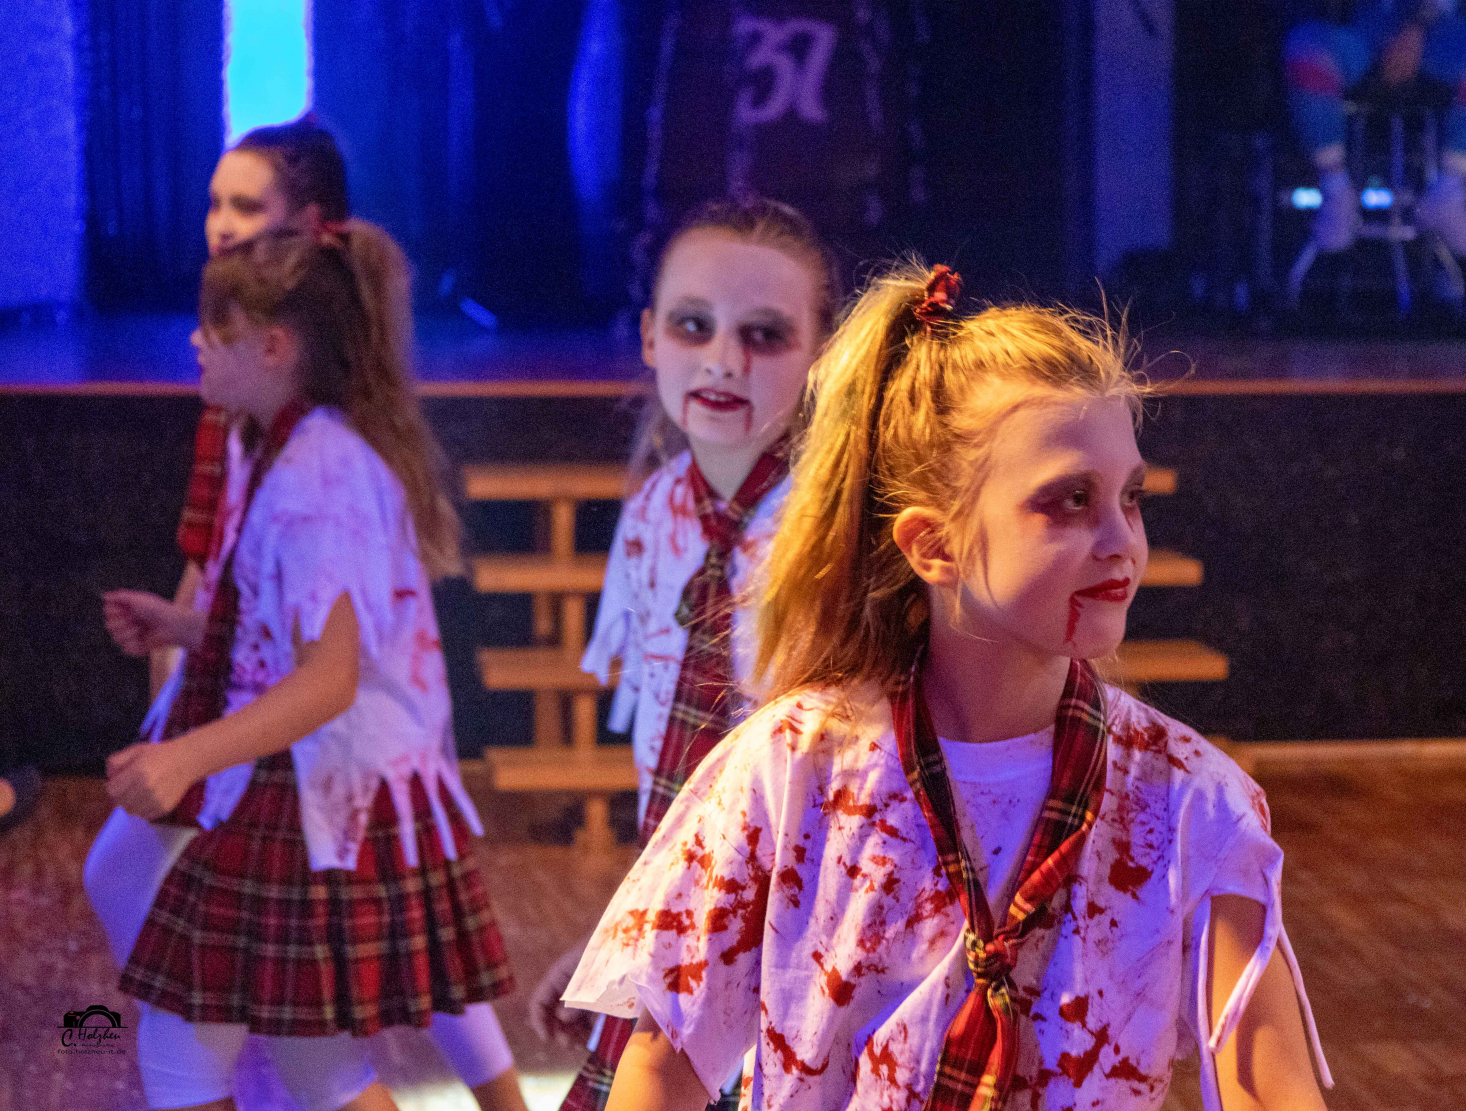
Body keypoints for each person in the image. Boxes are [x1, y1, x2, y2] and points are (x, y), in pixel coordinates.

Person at [560, 263, 1333, 1109]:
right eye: (1069, 501)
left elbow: (1273, 1093)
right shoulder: (790, 769)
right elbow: (662, 1068)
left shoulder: (1189, 803)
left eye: (1132, 498)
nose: (1122, 540)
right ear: (933, 546)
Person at [93, 117, 528, 1111]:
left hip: (310, 791)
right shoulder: (285, 447)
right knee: (313, 1063)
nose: (195, 343)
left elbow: (328, 680)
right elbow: (288, 637)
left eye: (215, 330)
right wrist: (185, 629)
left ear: (274, 346)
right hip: (297, 783)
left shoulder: (319, 476)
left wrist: (184, 756)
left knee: (197, 1049)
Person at [520, 196, 841, 1110]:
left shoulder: (843, 533)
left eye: (764, 335)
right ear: (651, 338)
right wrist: (619, 932)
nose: (723, 360)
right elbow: (669, 783)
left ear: (820, 355)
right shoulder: (654, 513)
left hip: (809, 947)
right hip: (684, 937)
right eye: (694, 326)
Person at [1280, 0, 1466, 260]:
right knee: (1305, 50)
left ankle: (1449, 192)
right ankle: (1335, 190)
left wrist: (1417, 27)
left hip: (1422, 34)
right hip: (1346, 33)